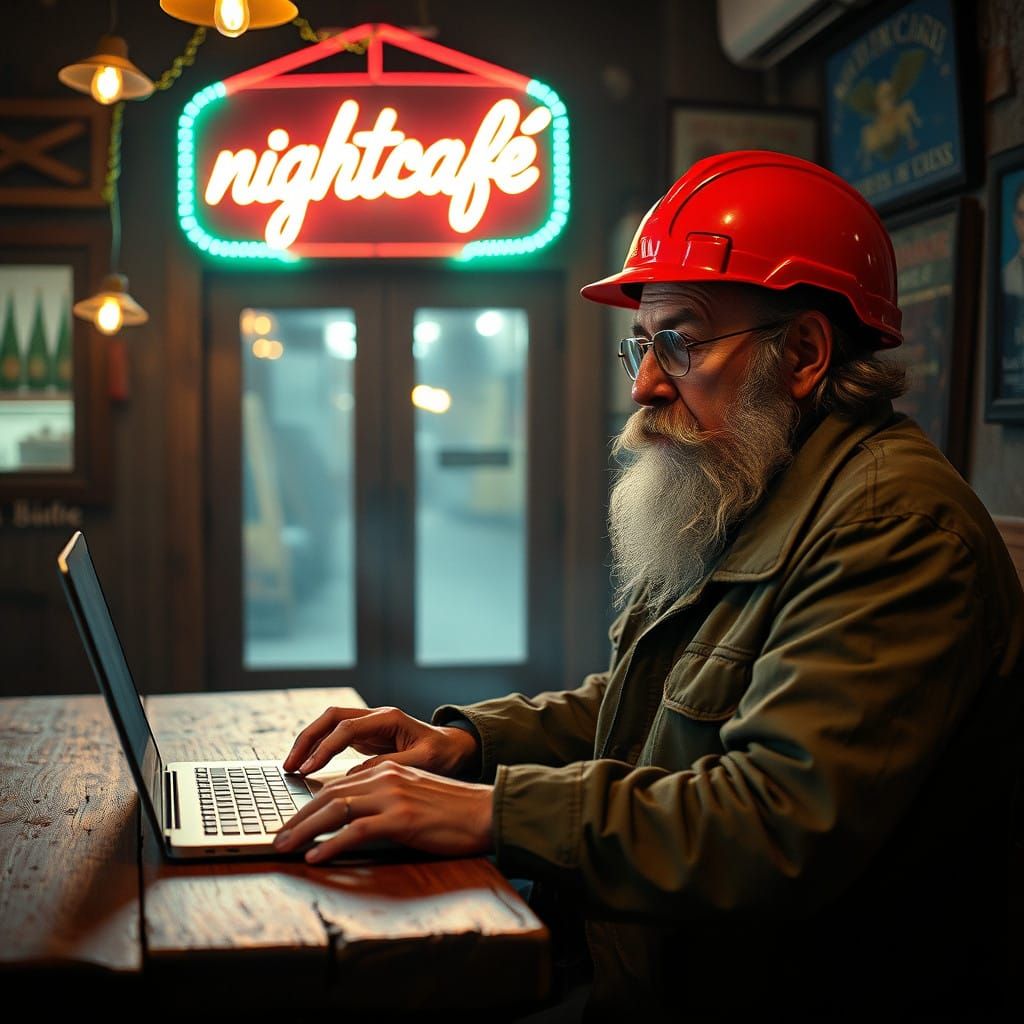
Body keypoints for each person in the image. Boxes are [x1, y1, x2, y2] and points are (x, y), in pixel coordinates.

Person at [273, 151, 1024, 1020]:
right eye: (644, 341)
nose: (644, 383)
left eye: (682, 340)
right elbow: (651, 704)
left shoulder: (892, 527)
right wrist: (468, 745)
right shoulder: (759, 479)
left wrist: (492, 811)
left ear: (806, 353)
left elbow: (771, 822)